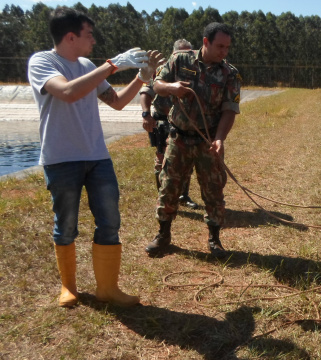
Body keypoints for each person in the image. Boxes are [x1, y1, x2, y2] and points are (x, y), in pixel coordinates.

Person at [27, 6, 163, 307]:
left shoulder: (88, 63)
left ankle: (108, 289)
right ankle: (69, 288)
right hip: (61, 159)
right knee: (66, 223)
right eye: (90, 35)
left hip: (97, 156)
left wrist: (142, 78)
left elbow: (116, 102)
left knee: (109, 220)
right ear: (71, 36)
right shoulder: (42, 61)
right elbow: (67, 92)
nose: (94, 41)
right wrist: (113, 64)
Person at [145, 22, 241, 258]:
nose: (224, 52)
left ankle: (215, 240)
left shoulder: (230, 73)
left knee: (214, 191)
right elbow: (156, 84)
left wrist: (219, 139)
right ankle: (163, 236)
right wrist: (172, 87)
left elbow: (230, 109)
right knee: (169, 187)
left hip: (208, 141)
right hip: (178, 138)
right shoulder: (180, 60)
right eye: (220, 46)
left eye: (227, 47)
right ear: (205, 42)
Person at [140, 39, 198, 209]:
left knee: (186, 161)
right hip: (162, 122)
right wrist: (146, 114)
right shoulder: (161, 70)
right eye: (183, 53)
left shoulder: (194, 72)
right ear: (174, 54)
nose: (187, 57)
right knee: (162, 161)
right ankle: (164, 197)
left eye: (189, 53)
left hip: (183, 124)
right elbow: (146, 91)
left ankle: (183, 195)